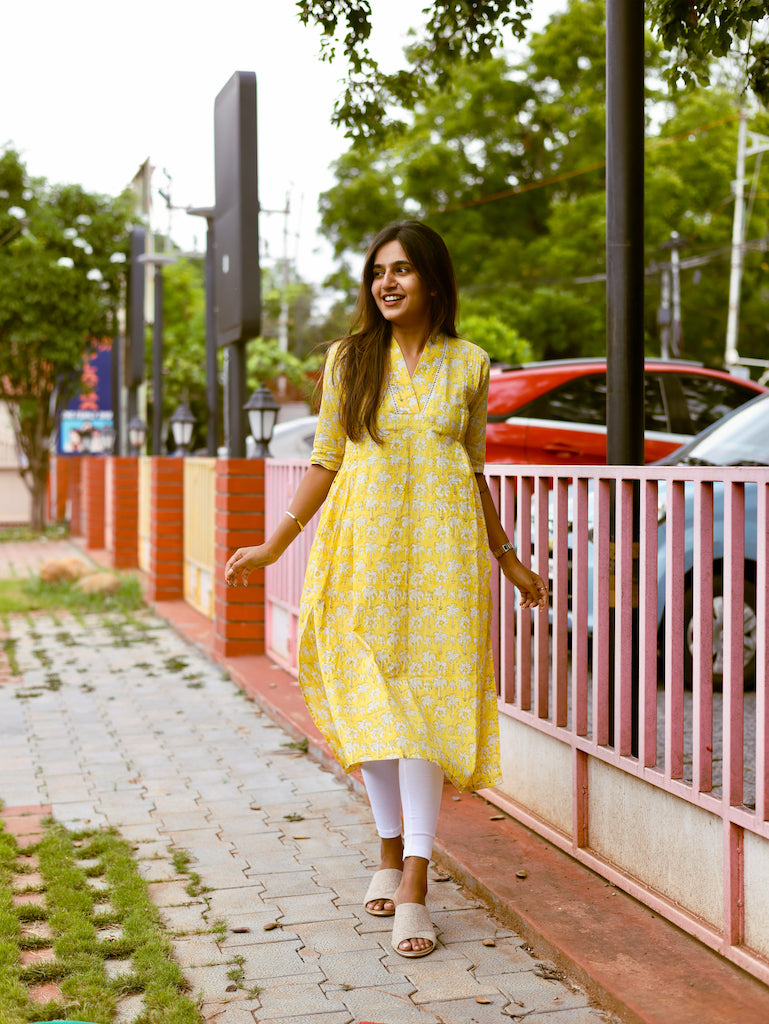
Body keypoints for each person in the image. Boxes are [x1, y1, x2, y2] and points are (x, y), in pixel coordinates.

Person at [225, 220, 548, 958]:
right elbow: (326, 459)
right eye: (377, 272)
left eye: (401, 269)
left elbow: (472, 470)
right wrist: (276, 541)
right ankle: (386, 848)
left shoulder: (469, 364)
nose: (387, 283)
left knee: (423, 713)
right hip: (362, 553)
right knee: (371, 707)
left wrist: (507, 557)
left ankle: (416, 878)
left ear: (432, 280)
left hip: (441, 561)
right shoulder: (349, 358)